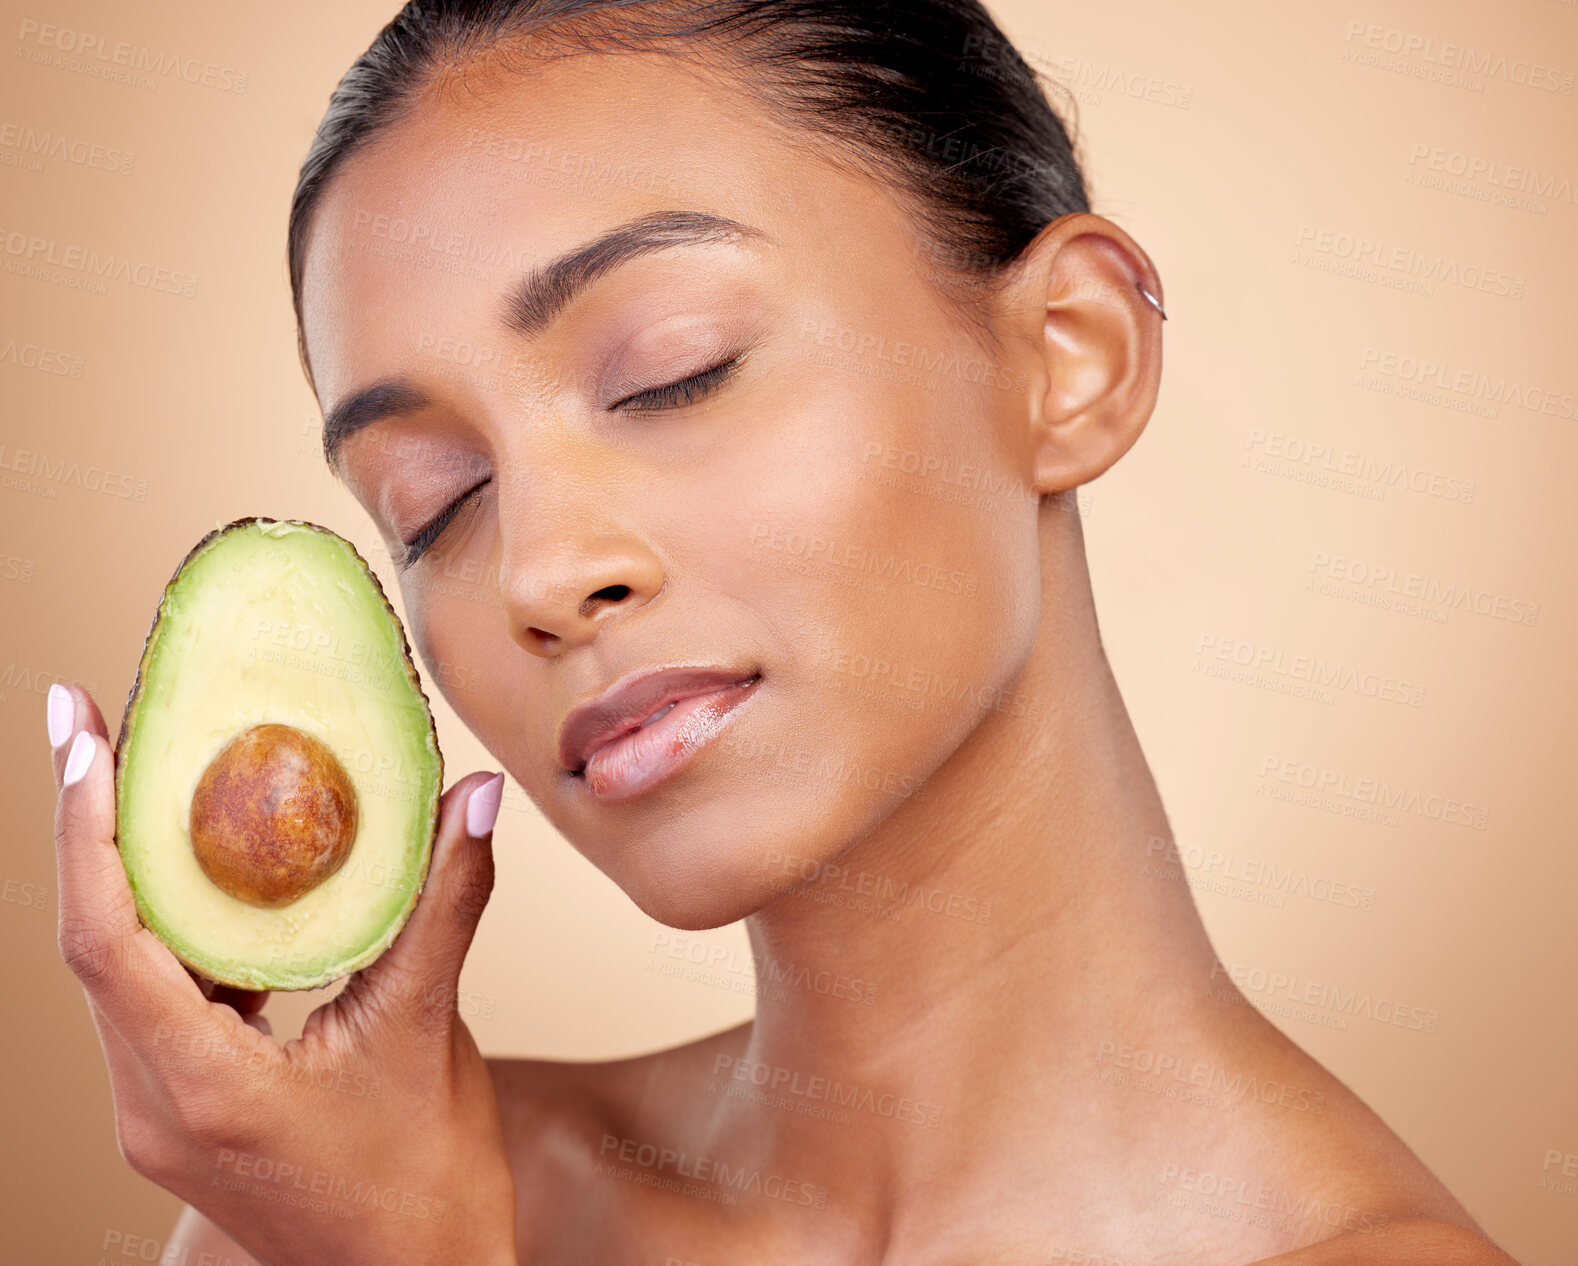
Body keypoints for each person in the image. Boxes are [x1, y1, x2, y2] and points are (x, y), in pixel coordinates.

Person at [48, 1, 1520, 1261]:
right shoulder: (352, 1189)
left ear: (1069, 358)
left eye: (671, 373)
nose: (542, 572)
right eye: (432, 502)